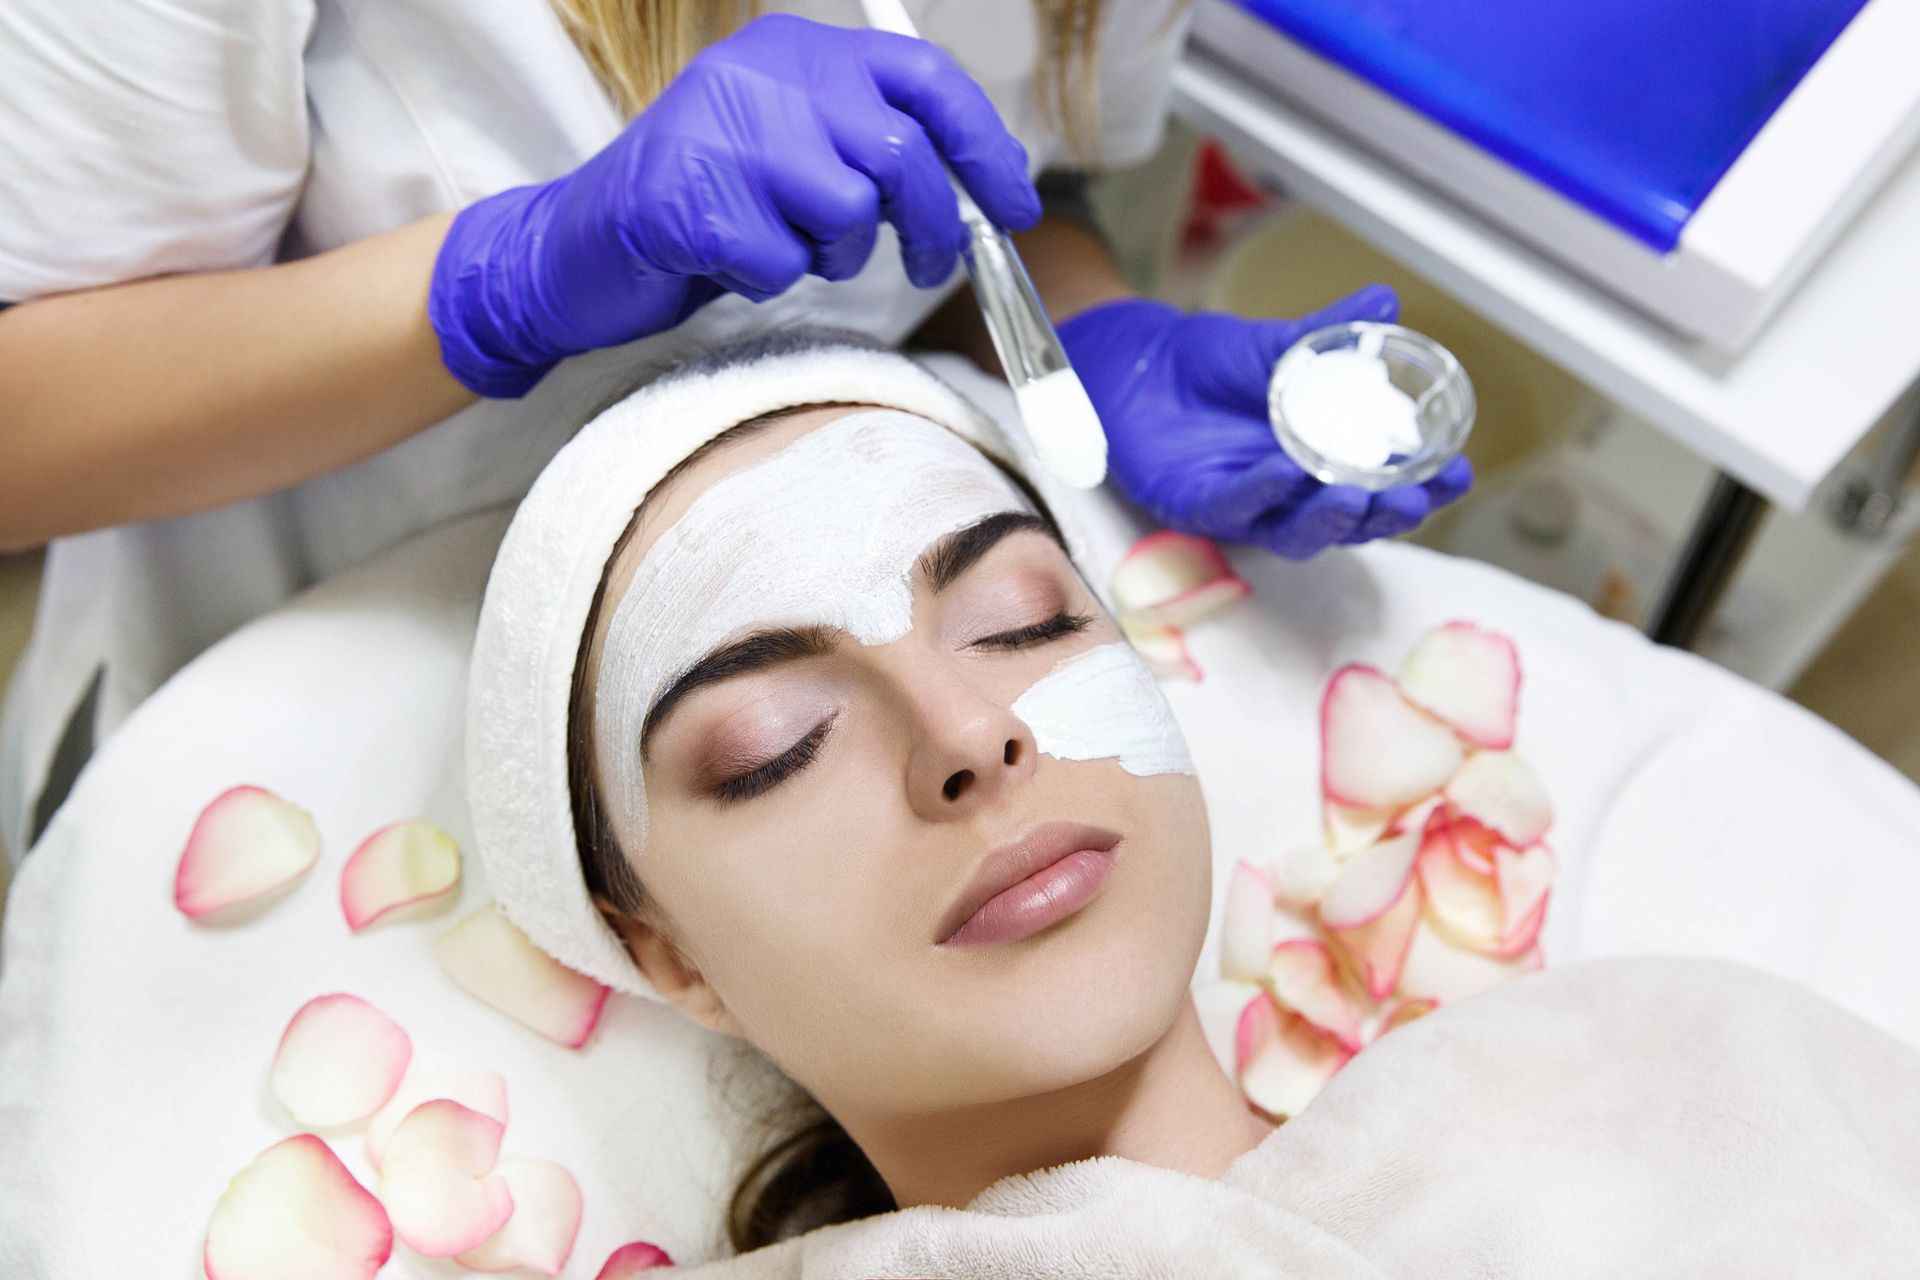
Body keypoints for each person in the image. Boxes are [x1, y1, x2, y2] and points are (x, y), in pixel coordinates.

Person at [463, 332, 1920, 1271]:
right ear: (665, 954)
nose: (971, 734)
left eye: (1024, 621)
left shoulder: (1659, 1070)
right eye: (778, 743)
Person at [0, 0, 1468, 863]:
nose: (981, 746)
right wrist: (499, 283)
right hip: (311, 721)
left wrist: (1078, 326)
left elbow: (1002, 191)